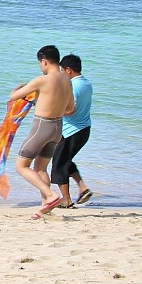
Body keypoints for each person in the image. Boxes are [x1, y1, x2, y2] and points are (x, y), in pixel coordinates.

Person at [8, 44, 77, 219]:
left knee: (21, 166)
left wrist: (19, 87)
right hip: (57, 128)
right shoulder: (67, 81)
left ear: (44, 61)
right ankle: (46, 205)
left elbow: (13, 97)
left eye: (40, 63)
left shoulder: (42, 80)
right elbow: (70, 109)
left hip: (42, 126)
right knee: (41, 169)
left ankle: (51, 195)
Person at [51, 53, 94, 207]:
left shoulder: (73, 86)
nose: (62, 74)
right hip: (84, 130)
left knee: (58, 164)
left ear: (68, 70)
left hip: (72, 132)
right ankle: (83, 187)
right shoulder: (87, 84)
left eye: (62, 71)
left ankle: (66, 200)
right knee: (65, 160)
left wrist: (52, 111)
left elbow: (70, 110)